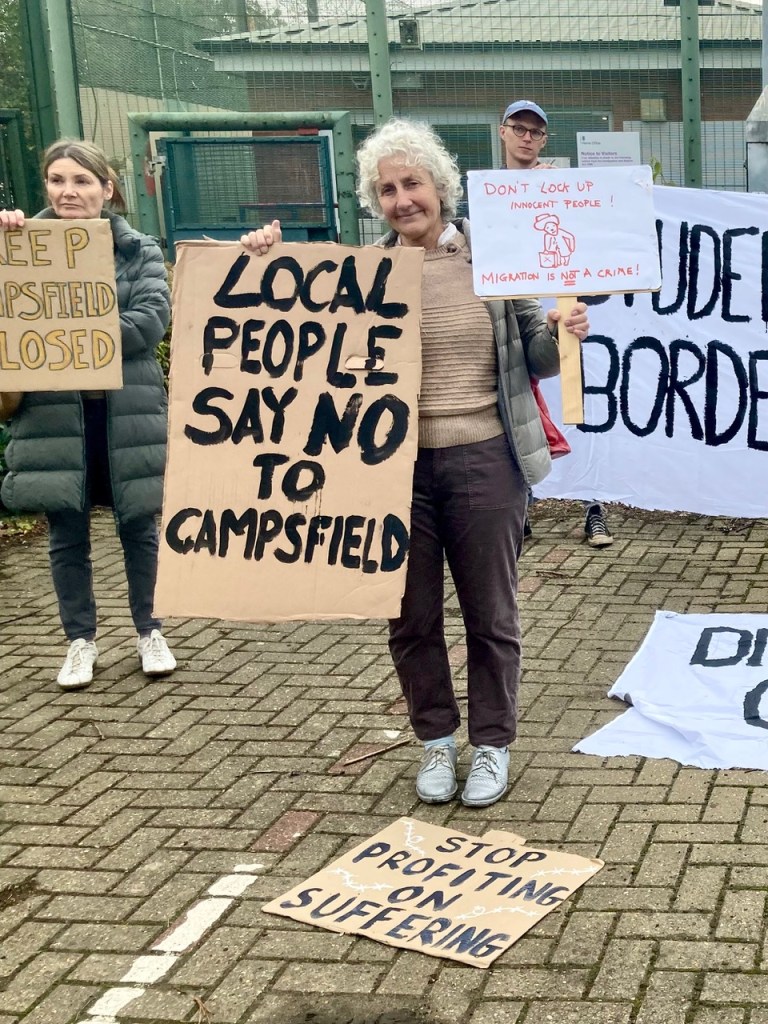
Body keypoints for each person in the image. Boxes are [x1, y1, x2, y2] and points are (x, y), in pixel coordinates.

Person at [242, 119, 589, 807]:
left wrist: (563, 333)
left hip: (487, 460)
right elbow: (289, 335)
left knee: (492, 615)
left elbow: (536, 359)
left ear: (440, 185)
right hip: (392, 472)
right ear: (377, 202)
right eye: (388, 189)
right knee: (409, 617)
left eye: (413, 183)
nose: (403, 199)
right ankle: (435, 742)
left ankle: (491, 745)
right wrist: (257, 261)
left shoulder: (494, 256)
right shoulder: (361, 277)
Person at [0, 139, 177, 690]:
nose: (68, 191)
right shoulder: (18, 245)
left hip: (126, 412)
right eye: (57, 180)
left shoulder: (138, 249)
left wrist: (71, 335)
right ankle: (80, 640)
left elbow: (152, 320)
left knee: (138, 527)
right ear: (45, 187)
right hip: (54, 415)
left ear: (107, 188)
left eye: (81, 181)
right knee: (65, 532)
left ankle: (150, 630)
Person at [501, 99, 613, 548]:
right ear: (503, 132)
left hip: (567, 314)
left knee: (588, 416)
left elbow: (602, 264)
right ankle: (522, 505)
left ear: (546, 139)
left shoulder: (566, 190)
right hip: (523, 320)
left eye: (537, 132)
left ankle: (594, 506)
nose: (528, 138)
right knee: (522, 417)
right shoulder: (484, 198)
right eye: (520, 128)